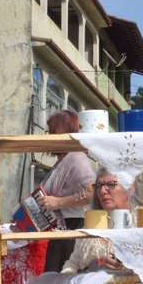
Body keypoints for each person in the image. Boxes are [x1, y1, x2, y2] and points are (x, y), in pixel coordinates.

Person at [34, 110, 97, 273]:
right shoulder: (60, 163)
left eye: (52, 131)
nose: (48, 135)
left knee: (66, 283)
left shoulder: (76, 158)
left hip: (73, 229)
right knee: (54, 282)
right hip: (60, 229)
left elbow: (89, 193)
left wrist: (58, 202)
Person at [61, 167, 138, 273]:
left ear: (130, 189)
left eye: (110, 184)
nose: (102, 191)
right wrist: (68, 278)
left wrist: (133, 267)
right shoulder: (92, 223)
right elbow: (72, 263)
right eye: (98, 186)